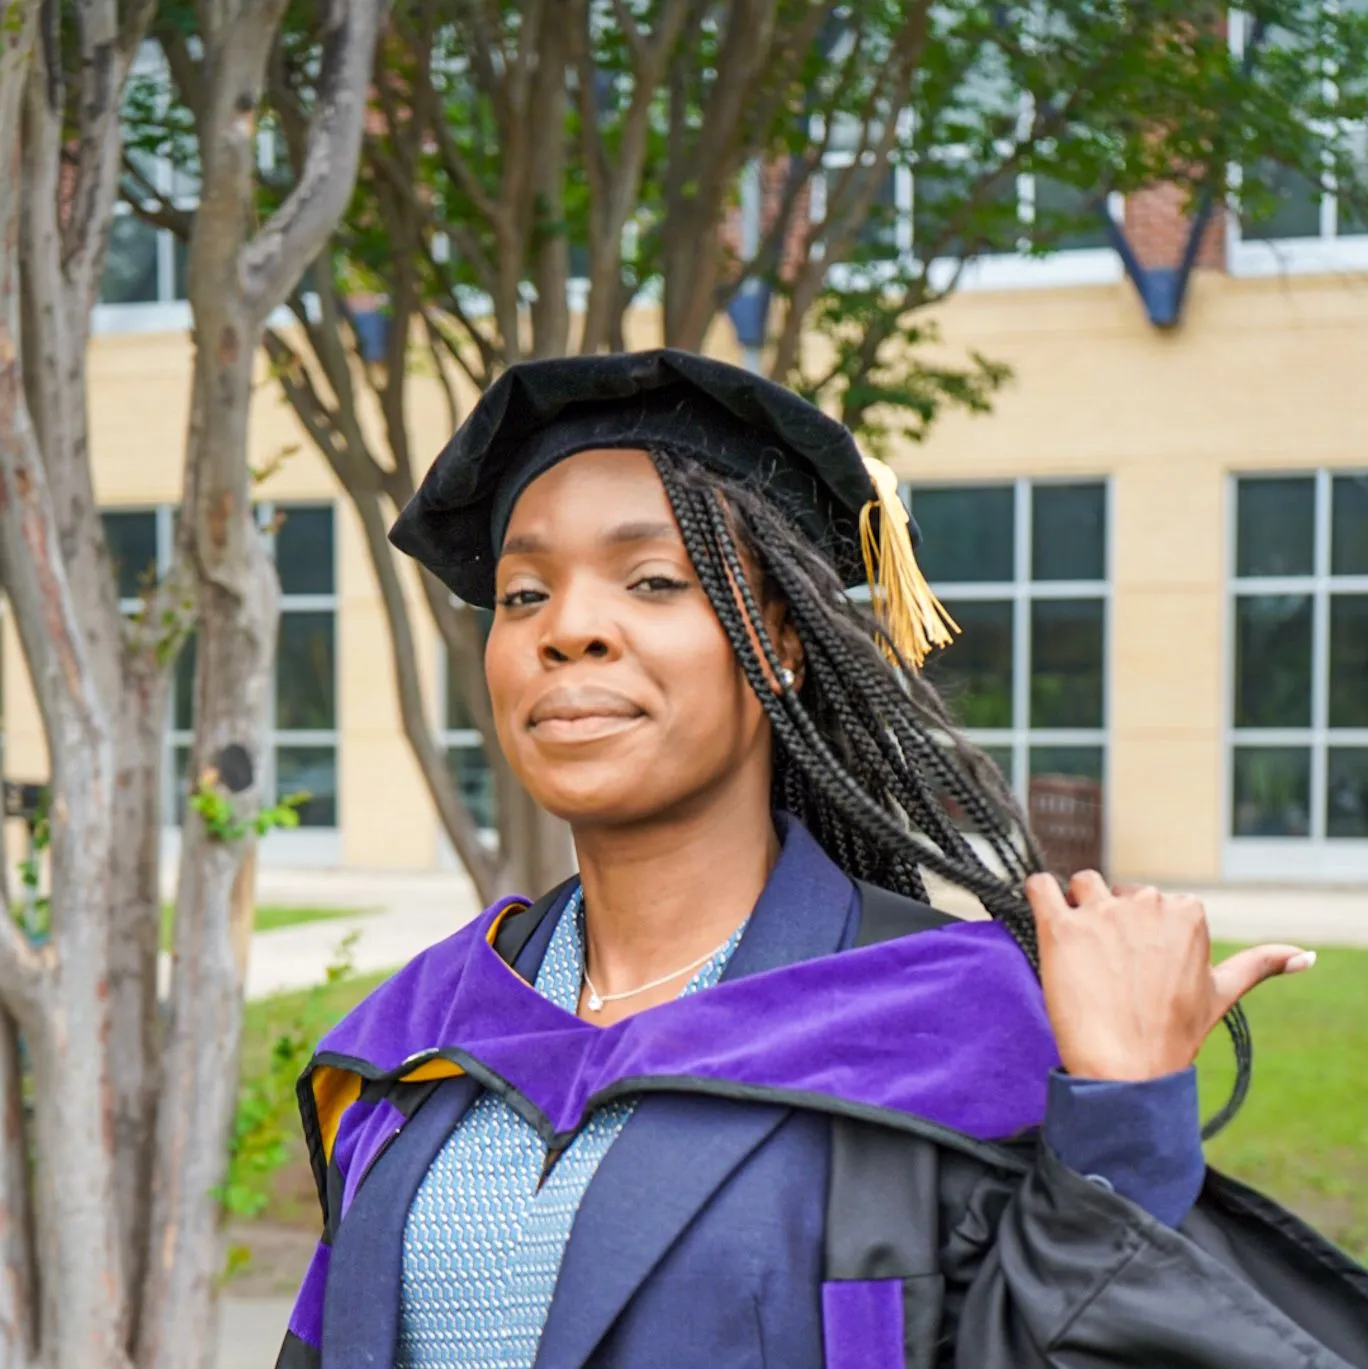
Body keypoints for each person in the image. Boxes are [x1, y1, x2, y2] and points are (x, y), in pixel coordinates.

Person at [275, 349, 1368, 1369]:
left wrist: (1124, 1115)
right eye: (525, 594)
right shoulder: (428, 1033)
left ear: (783, 642)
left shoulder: (942, 1026)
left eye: (653, 580)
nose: (570, 628)